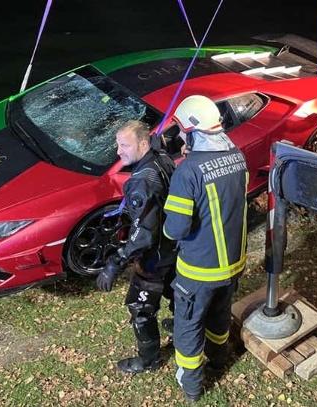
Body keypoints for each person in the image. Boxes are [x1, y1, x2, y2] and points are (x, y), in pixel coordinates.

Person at [162, 95, 249, 402]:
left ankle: (192, 385)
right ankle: (219, 356)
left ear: (191, 130)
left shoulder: (187, 173)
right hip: (233, 263)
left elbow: (176, 230)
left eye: (182, 130)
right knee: (219, 313)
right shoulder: (237, 156)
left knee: (188, 324)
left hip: (199, 269)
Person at [95, 120, 177, 373]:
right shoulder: (161, 157)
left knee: (141, 308)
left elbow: (143, 235)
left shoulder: (142, 182)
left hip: (156, 257)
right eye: (118, 144)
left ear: (142, 143)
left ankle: (149, 360)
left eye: (124, 145)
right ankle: (182, 326)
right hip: (175, 245)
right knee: (177, 293)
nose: (118, 151)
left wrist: (115, 263)